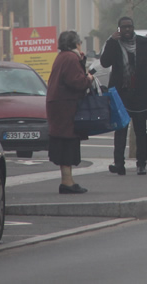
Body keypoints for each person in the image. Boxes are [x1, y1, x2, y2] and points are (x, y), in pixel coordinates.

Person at [100, 16, 147, 175]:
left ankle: (141, 164)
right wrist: (111, 41)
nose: (127, 30)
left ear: (133, 28)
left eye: (130, 27)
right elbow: (105, 62)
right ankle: (118, 164)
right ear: (118, 29)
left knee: (141, 130)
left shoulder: (143, 43)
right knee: (120, 129)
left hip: (141, 93)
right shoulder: (114, 44)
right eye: (124, 27)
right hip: (121, 93)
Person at [45, 30, 94, 194]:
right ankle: (67, 182)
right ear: (76, 43)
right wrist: (89, 79)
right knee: (67, 142)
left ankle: (68, 180)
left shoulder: (62, 57)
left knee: (64, 141)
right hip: (66, 107)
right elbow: (77, 82)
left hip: (58, 105)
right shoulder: (71, 58)